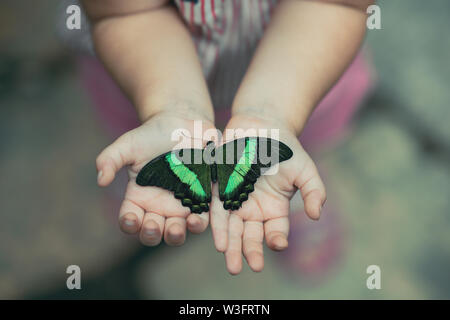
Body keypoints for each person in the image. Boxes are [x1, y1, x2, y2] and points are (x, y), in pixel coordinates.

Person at [64, 0, 374, 275]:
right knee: (146, 136)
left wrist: (273, 112)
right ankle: (153, 169)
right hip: (148, 76)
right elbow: (124, 13)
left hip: (299, 75)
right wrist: (170, 107)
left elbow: (337, 3)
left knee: (296, 140)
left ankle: (286, 187)